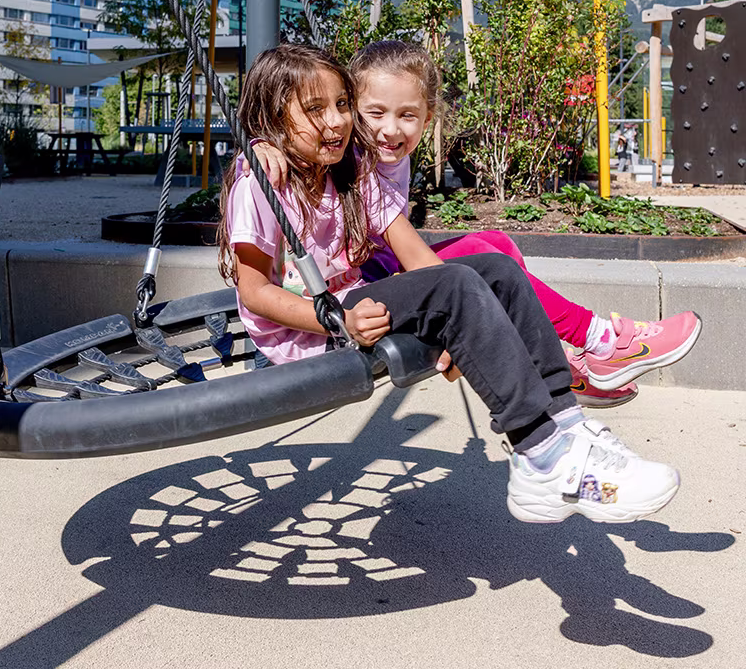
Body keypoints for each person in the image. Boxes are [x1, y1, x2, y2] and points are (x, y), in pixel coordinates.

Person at [221, 43, 684, 524]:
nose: (337, 121)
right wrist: (339, 319)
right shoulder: (259, 181)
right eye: (315, 110)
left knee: (493, 270)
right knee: (457, 288)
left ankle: (565, 424)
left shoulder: (353, 172)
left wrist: (468, 334)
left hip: (350, 300)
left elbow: (420, 261)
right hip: (309, 327)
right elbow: (254, 294)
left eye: (341, 104)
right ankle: (539, 450)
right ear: (275, 115)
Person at [247, 41, 701, 407]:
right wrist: (260, 144)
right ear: (353, 110)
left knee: (496, 243)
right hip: (366, 280)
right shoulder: (349, 154)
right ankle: (595, 342)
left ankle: (561, 354)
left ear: (428, 117)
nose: (391, 129)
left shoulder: (391, 156)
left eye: (408, 116)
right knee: (481, 258)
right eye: (375, 113)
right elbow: (290, 139)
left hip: (382, 268)